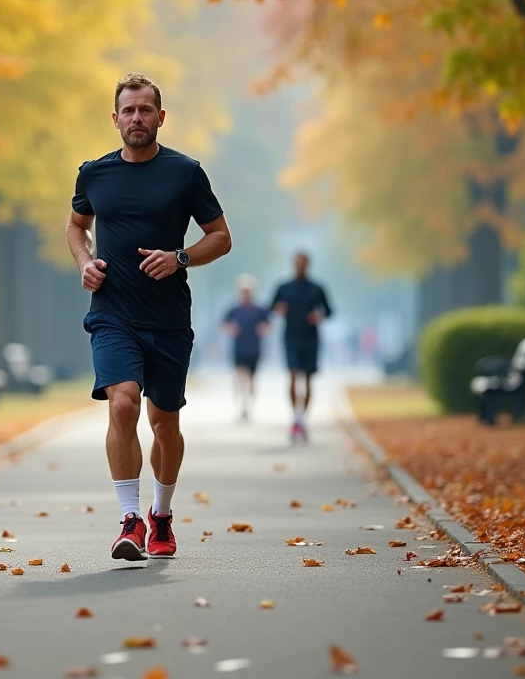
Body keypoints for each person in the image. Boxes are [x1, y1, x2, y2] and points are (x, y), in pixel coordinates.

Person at [66, 73, 231, 561]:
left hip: (168, 318)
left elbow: (220, 236)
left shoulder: (185, 173)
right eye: (128, 111)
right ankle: (130, 518)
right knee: (122, 405)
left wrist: (179, 257)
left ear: (161, 117)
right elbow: (78, 226)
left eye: (145, 110)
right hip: (113, 312)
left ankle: (161, 515)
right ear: (115, 119)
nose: (136, 119)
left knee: (164, 423)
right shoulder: (94, 174)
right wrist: (84, 262)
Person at [269, 251, 332, 442]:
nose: (300, 267)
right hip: (291, 338)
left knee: (308, 380)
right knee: (293, 374)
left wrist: (318, 315)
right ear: (293, 265)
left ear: (308, 265)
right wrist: (278, 309)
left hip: (310, 339)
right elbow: (270, 307)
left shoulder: (317, 288)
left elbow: (329, 311)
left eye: (303, 264)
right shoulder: (283, 288)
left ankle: (301, 418)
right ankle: (295, 418)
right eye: (297, 264)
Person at [220, 275, 270, 421]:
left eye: (248, 291)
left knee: (252, 380)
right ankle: (241, 405)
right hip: (239, 349)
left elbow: (268, 324)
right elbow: (223, 323)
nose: (246, 293)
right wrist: (231, 328)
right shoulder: (234, 309)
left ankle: (249, 405)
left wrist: (263, 328)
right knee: (240, 377)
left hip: (254, 349)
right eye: (243, 291)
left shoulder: (259, 310)